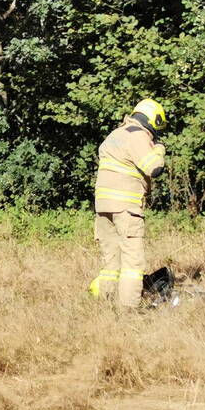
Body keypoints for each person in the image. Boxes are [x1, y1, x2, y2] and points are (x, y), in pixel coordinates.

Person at [89, 98, 167, 308]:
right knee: (132, 264)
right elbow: (154, 168)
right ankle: (128, 312)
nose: (155, 134)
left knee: (111, 263)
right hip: (125, 209)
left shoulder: (115, 134)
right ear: (153, 120)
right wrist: (159, 149)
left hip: (103, 208)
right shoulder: (138, 135)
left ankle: (106, 304)